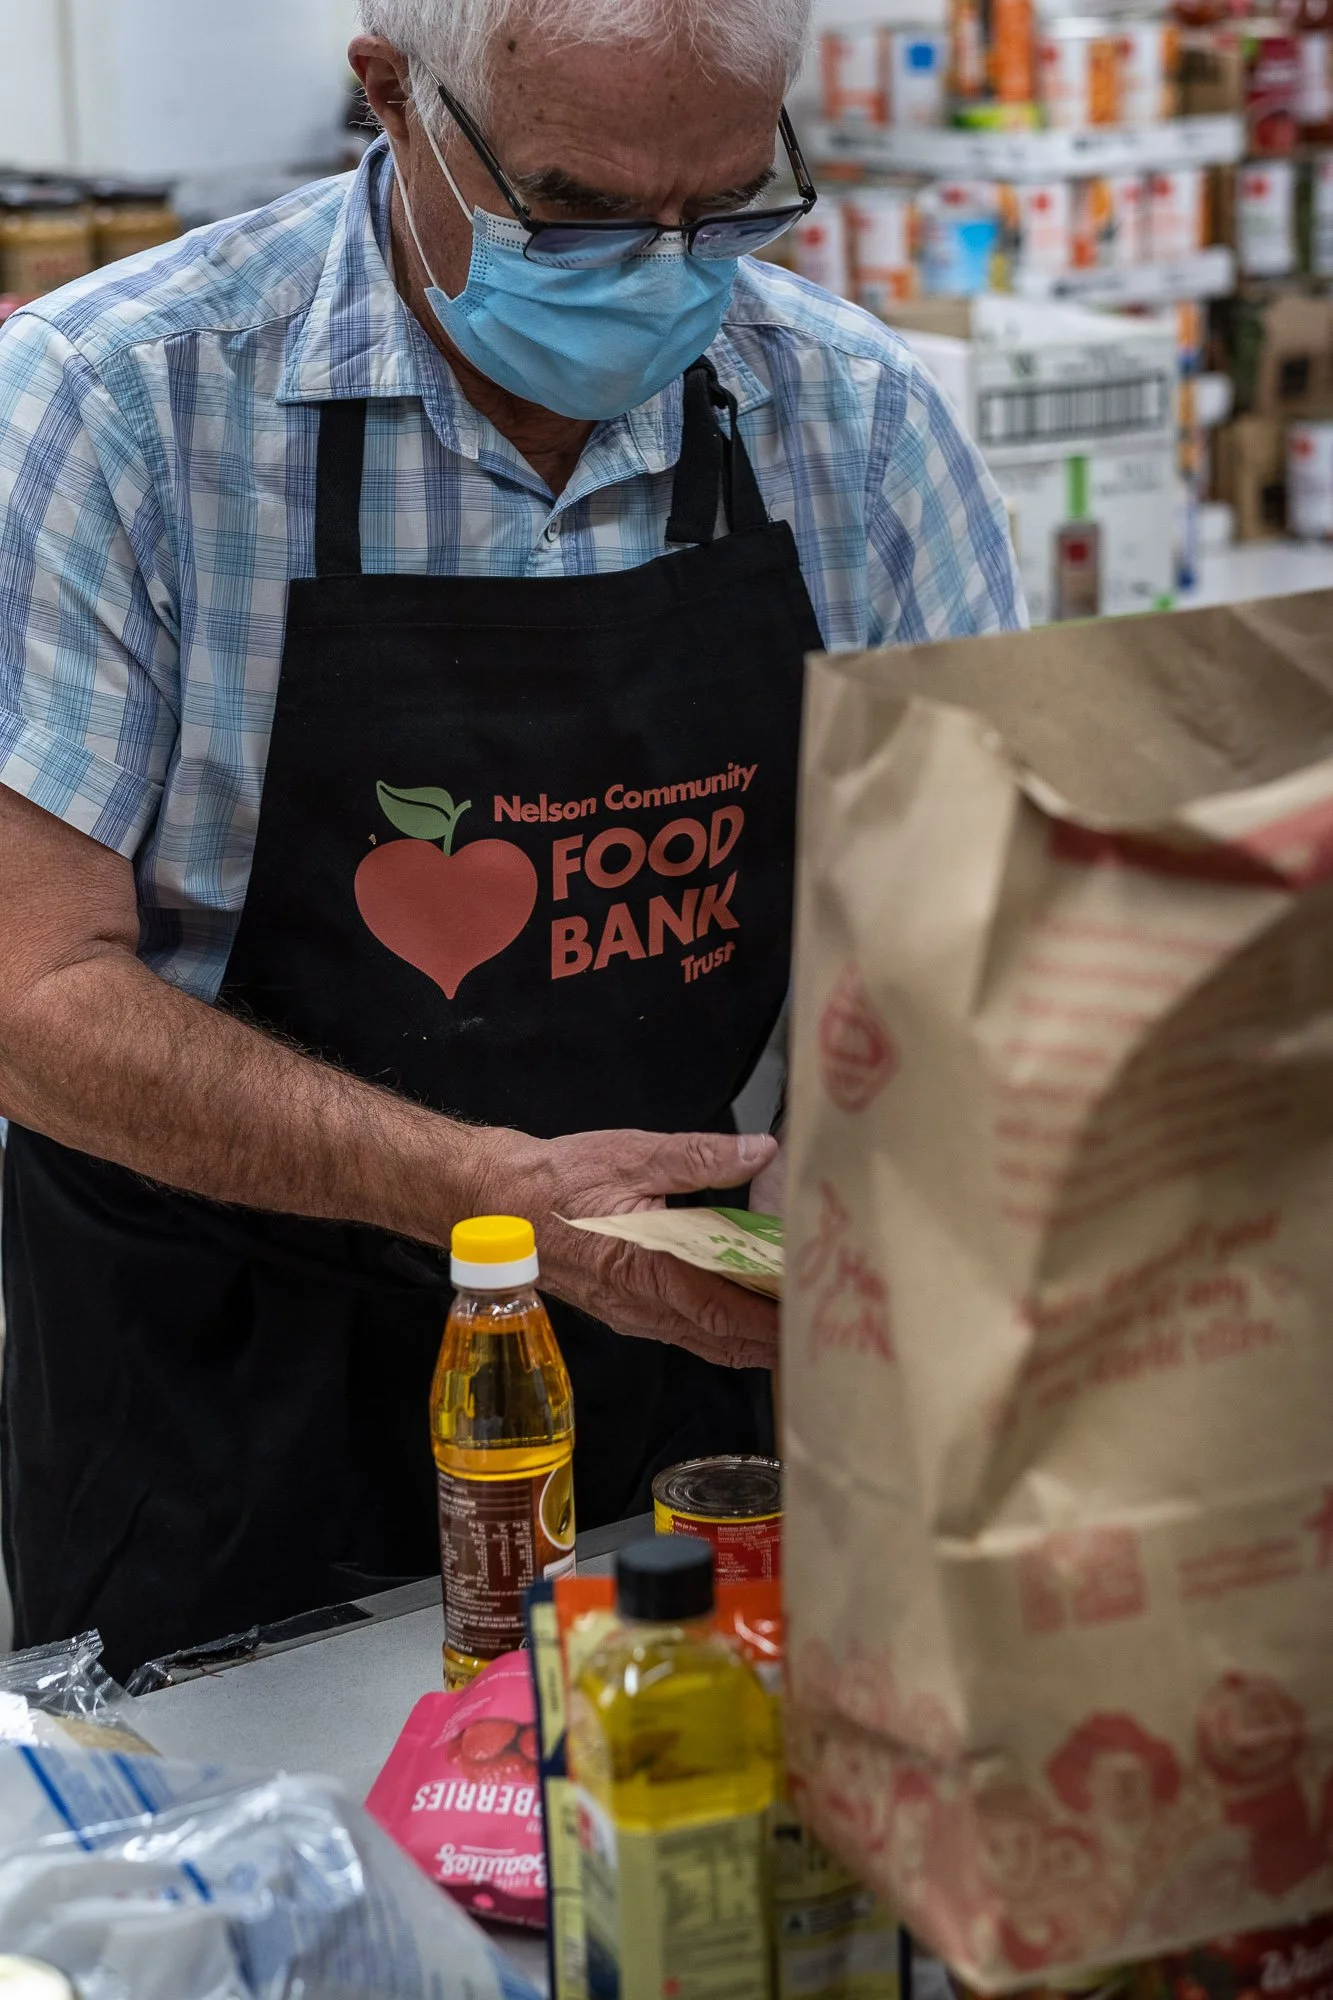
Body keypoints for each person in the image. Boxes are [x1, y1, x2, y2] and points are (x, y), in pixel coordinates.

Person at [0, 0, 1024, 1678]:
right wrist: (496, 1201)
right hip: (216, 1376)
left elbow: (975, 939)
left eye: (725, 204)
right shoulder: (113, 410)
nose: (665, 270)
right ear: (393, 97)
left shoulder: (847, 421)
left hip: (676, 1342)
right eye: (580, 209)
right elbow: (28, 989)